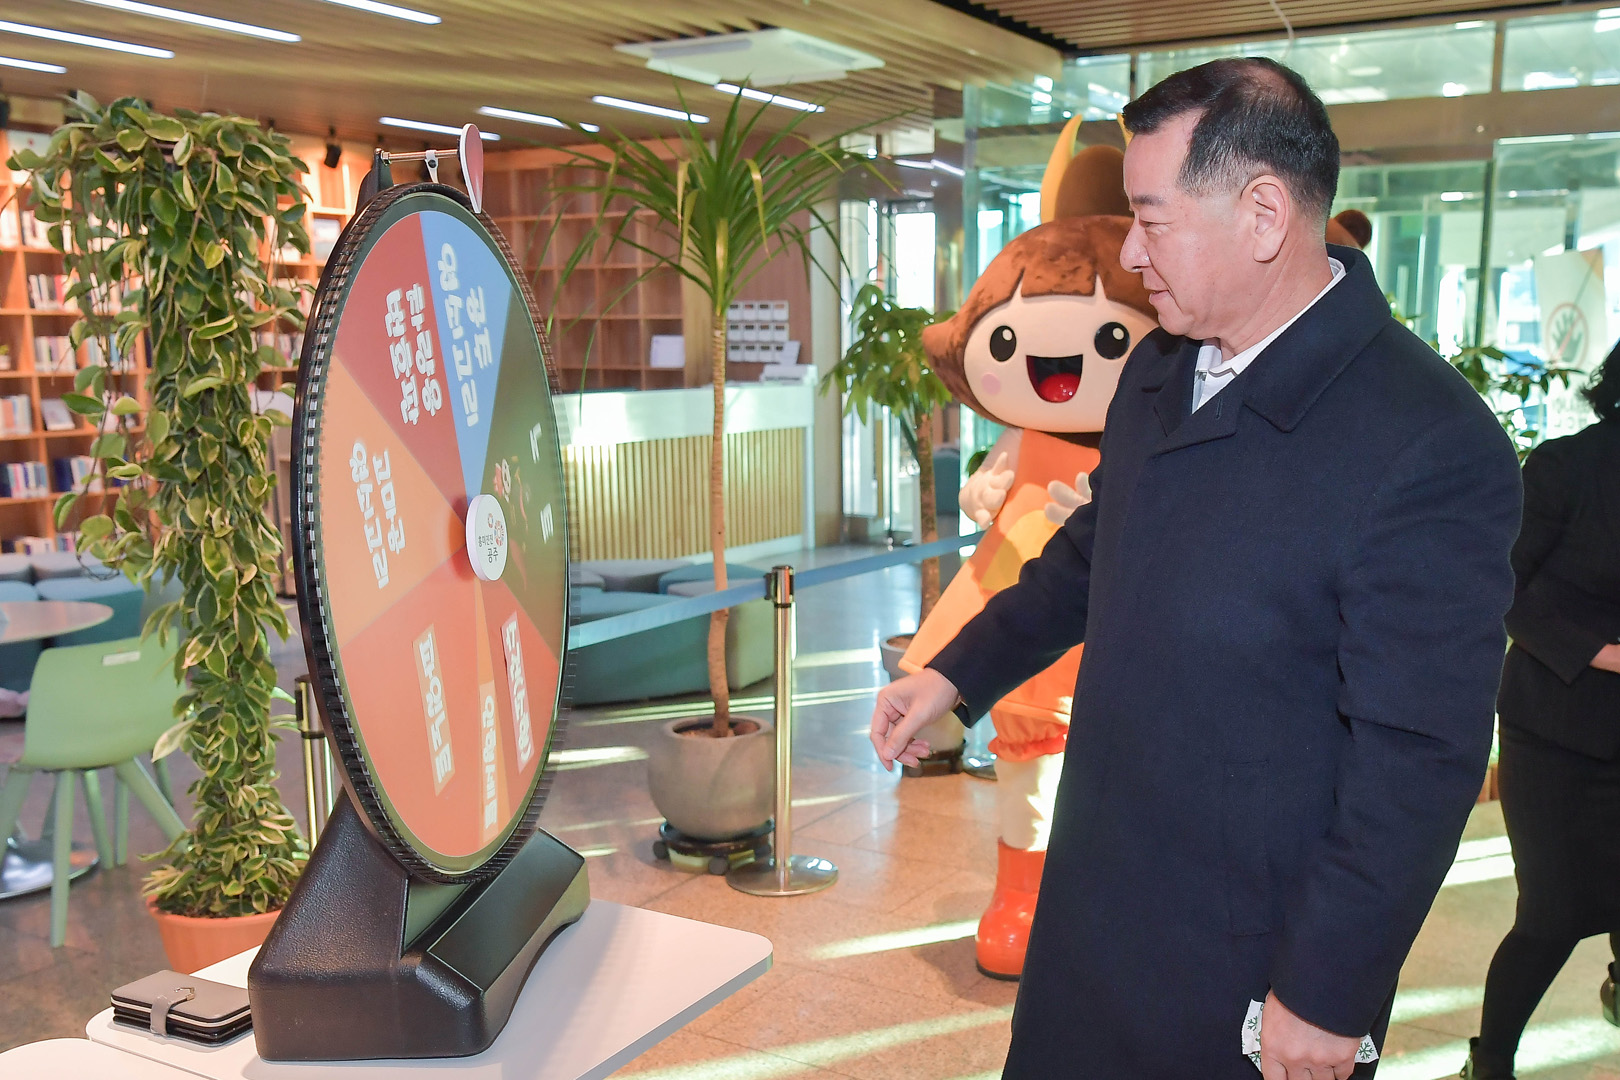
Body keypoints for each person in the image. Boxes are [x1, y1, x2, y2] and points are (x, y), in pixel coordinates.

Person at [869, 57, 1523, 1079]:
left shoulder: (1428, 439)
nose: (1131, 254)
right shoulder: (1158, 366)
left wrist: (1328, 988)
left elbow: (1418, 757)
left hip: (1251, 955)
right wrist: (956, 671)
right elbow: (1094, 551)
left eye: (1152, 219)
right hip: (1094, 900)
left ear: (1263, 215)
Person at [903, 140, 1159, 981]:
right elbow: (990, 485)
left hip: (1132, 622)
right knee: (1030, 765)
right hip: (1020, 597)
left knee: (1125, 768)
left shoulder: (1160, 433)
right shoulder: (1025, 434)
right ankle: (1020, 895)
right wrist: (986, 488)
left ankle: (1105, 901)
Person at [1463, 346, 1620, 1080]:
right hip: (1555, 730)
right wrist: (1606, 653)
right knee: (1553, 914)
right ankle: (1490, 1062)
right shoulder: (1568, 466)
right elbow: (1502, 586)